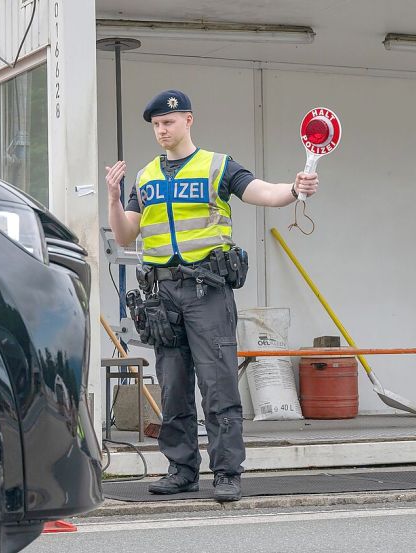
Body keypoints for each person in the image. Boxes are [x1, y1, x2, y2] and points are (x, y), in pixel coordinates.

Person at [105, 89, 319, 502]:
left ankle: (226, 473)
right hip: (163, 296)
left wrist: (295, 188)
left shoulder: (217, 166)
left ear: (189, 120)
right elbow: (125, 233)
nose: (161, 130)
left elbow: (262, 192)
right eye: (155, 125)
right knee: (173, 386)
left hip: (207, 291)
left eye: (168, 122)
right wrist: (114, 200)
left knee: (218, 385)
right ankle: (181, 470)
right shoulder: (147, 177)